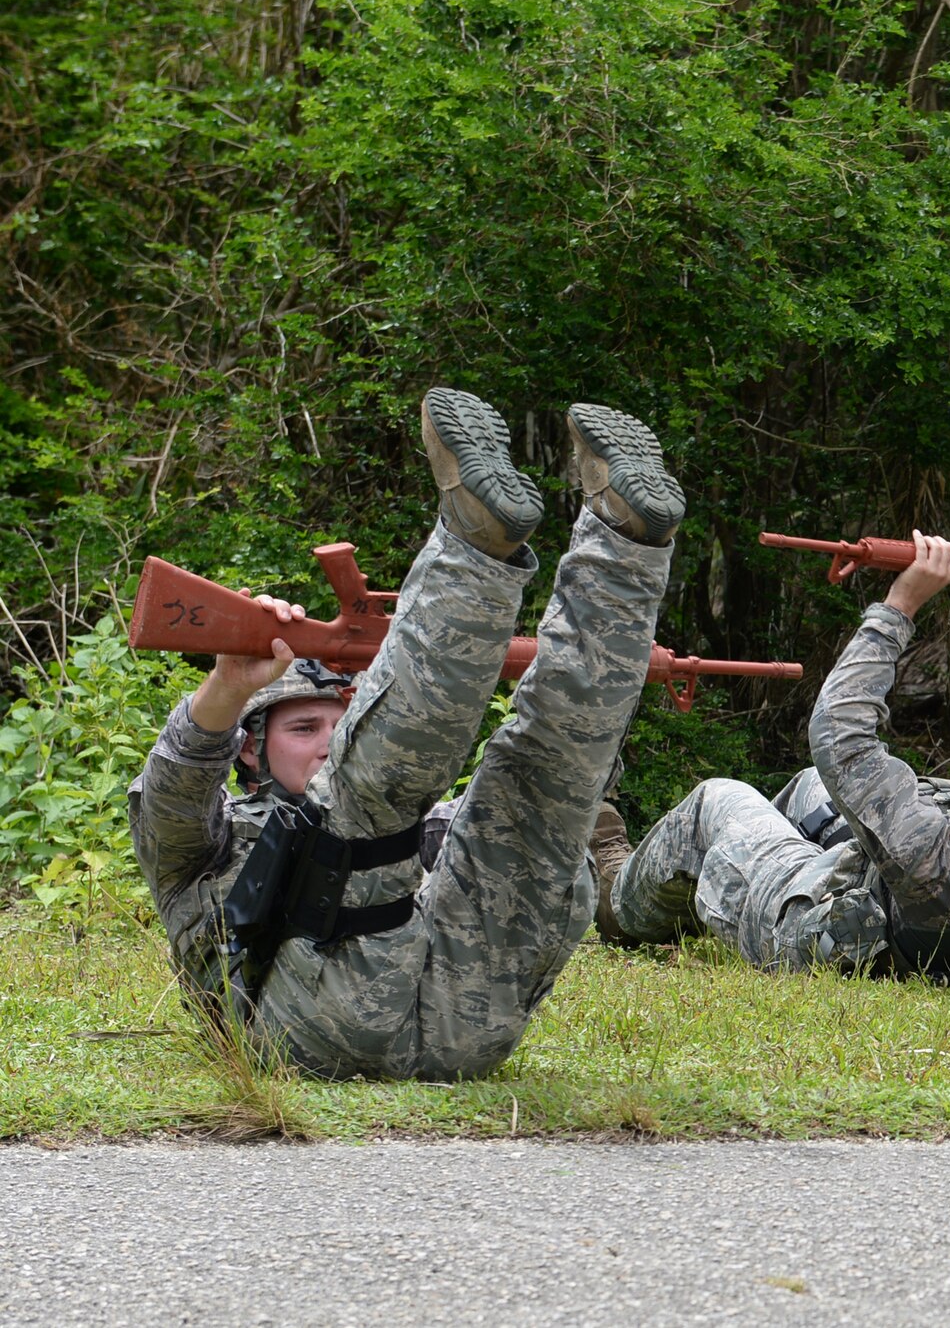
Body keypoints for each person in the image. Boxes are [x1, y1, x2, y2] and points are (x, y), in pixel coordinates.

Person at [128, 388, 685, 1078]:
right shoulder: (199, 853)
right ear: (250, 746)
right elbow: (172, 789)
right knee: (369, 797)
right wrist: (229, 686)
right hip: (312, 1031)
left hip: (467, 1028)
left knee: (540, 800)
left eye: (340, 721)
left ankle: (624, 540)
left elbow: (533, 819)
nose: (329, 741)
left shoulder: (412, 815)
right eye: (304, 727)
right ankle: (476, 546)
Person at [602, 531, 950, 984]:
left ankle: (616, 899)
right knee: (808, 787)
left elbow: (840, 733)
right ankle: (743, 871)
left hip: (809, 933)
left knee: (717, 801)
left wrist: (900, 605)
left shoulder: (936, 859)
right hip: (922, 909)